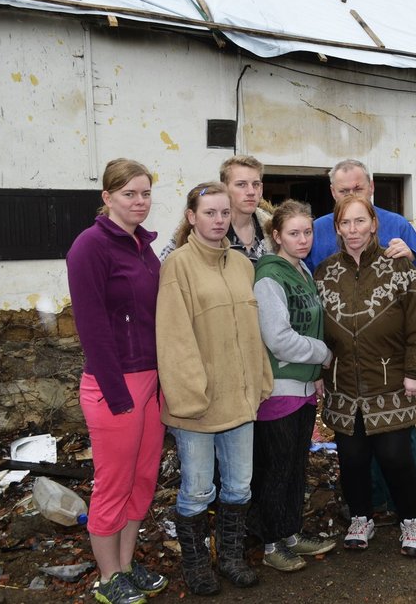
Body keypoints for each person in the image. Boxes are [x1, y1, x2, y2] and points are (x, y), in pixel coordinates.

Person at [305, 159, 416, 532]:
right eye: (343, 191)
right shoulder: (317, 232)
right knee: (354, 449)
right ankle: (366, 506)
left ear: (372, 187)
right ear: (332, 194)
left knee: (397, 447)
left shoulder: (396, 225)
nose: (350, 198)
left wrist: (410, 258)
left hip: (388, 366)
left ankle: (406, 509)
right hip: (345, 370)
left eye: (357, 189)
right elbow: (310, 289)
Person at [156, 182, 273, 596]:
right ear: (191, 217)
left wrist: (261, 380)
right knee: (197, 489)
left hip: (239, 400)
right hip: (198, 405)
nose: (219, 220)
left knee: (240, 486)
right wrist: (189, 397)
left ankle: (231, 558)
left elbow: (253, 332)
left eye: (224, 213)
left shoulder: (242, 265)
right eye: (209, 213)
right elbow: (173, 337)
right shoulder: (178, 266)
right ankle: (196, 565)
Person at [66, 158, 168, 604]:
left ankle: (126, 565)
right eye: (129, 194)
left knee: (143, 479)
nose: (140, 202)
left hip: (151, 381)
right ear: (106, 197)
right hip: (115, 386)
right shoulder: (90, 247)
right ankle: (108, 578)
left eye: (145, 193)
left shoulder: (143, 248)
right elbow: (91, 327)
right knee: (113, 482)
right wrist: (117, 393)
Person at [251, 200, 337, 572]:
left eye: (307, 232)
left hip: (303, 388)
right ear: (276, 236)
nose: (303, 240)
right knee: (276, 470)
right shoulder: (270, 275)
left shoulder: (302, 270)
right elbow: (278, 338)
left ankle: (290, 533)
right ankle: (271, 544)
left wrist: (316, 374)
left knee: (296, 467)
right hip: (279, 388)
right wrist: (323, 354)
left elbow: (310, 324)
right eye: (293, 233)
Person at [158, 155, 272, 262]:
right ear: (224, 187)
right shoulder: (200, 226)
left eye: (256, 184)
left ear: (261, 189)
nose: (251, 192)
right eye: (241, 184)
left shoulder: (273, 228)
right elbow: (164, 266)